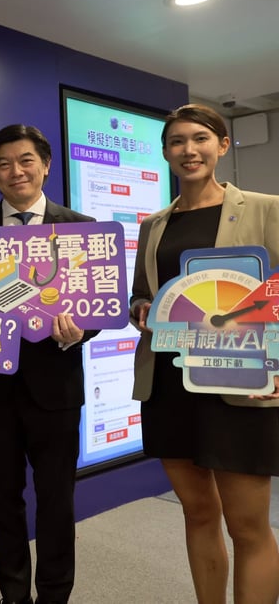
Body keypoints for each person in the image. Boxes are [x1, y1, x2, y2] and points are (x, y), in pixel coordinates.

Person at [130, 103, 279, 604]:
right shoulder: (154, 225)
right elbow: (140, 296)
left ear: (222, 145)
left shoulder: (266, 208)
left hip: (239, 380)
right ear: (166, 152)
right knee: (196, 512)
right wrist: (143, 308)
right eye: (176, 141)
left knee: (248, 525)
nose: (188, 150)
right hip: (171, 383)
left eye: (199, 138)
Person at [0, 124, 94, 604]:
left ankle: (54, 595)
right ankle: (13, 595)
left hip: (55, 389)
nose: (16, 171)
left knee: (57, 502)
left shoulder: (80, 228)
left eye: (26, 160)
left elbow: (95, 308)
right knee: (2, 503)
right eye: (3, 164)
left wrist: (80, 330)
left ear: (46, 165)